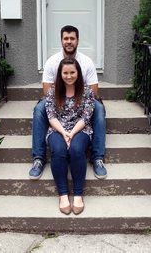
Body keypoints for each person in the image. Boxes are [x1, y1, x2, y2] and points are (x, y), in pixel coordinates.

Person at [29, 25, 107, 180]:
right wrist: (66, 104)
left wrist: (77, 103)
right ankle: (39, 158)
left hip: (82, 101)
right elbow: (47, 91)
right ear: (61, 40)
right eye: (66, 38)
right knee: (39, 109)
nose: (69, 42)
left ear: (77, 41)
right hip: (58, 101)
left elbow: (93, 92)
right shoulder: (52, 62)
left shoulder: (86, 62)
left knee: (98, 108)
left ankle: (97, 158)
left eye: (72, 38)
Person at [46, 58, 94, 215]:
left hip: (80, 130)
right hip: (57, 130)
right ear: (60, 74)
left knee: (76, 149)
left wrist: (72, 133)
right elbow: (51, 116)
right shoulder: (53, 91)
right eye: (65, 72)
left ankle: (78, 194)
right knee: (58, 150)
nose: (69, 76)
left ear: (78, 72)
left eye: (72, 72)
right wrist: (64, 133)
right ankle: (63, 195)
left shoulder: (87, 91)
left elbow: (86, 117)